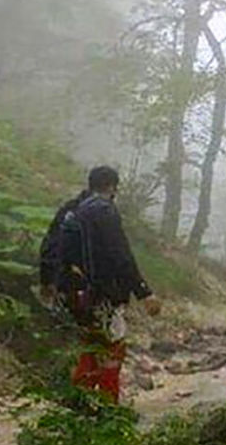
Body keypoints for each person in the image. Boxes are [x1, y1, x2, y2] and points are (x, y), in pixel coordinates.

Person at [58, 166, 161, 403]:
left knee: (90, 346)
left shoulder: (75, 211)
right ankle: (108, 408)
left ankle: (79, 404)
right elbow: (120, 255)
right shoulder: (105, 211)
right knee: (113, 348)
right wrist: (143, 292)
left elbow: (60, 252)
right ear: (112, 187)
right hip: (103, 294)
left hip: (77, 294)